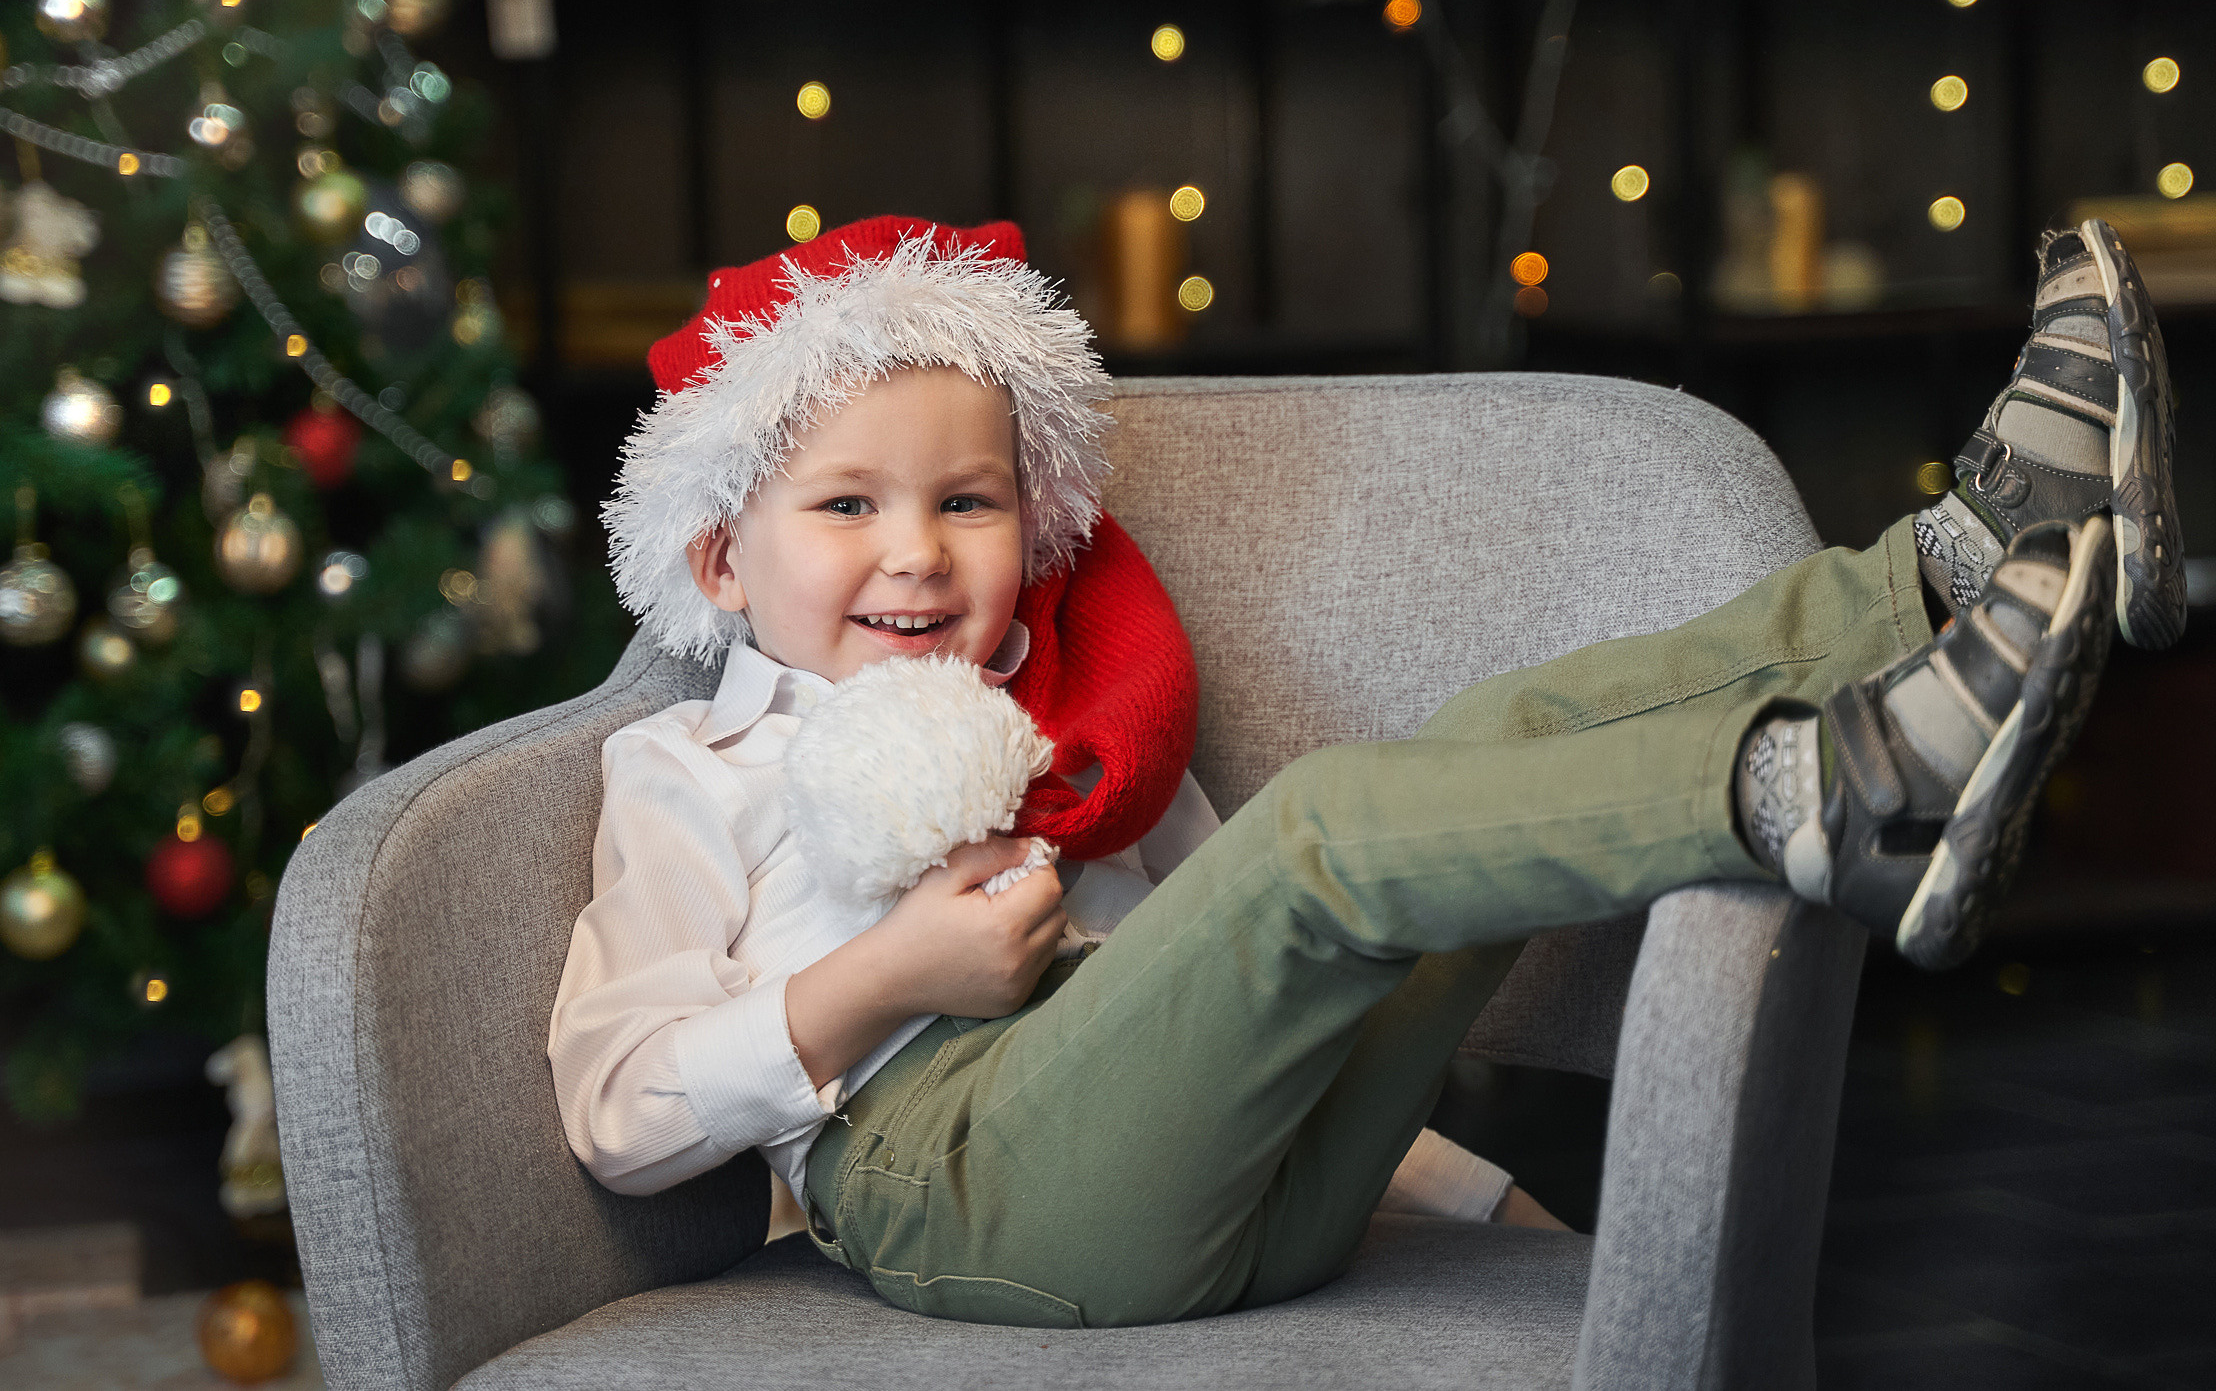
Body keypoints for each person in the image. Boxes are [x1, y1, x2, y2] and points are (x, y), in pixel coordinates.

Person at [549, 213, 2182, 1328]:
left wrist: (1480, 1210)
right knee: (1323, 833)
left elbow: (1256, 1015)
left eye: (966, 503)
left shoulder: (1070, 756)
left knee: (1482, 753)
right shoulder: (689, 768)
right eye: (847, 506)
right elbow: (618, 1110)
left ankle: (1947, 572)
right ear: (720, 559)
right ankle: (1840, 798)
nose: (916, 552)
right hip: (957, 1185)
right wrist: (892, 975)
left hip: (1255, 1200)